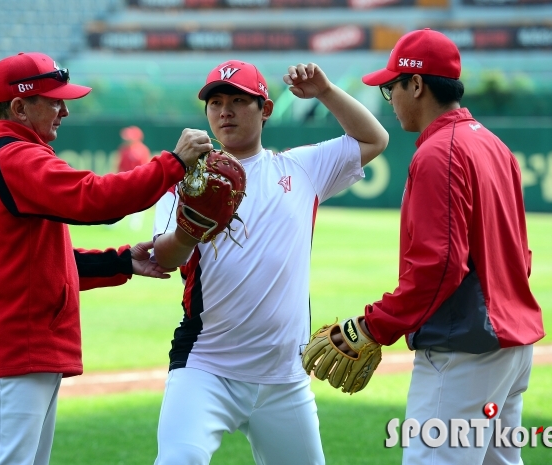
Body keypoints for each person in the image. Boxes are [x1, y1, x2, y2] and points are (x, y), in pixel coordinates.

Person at [0, 51, 212, 465]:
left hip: (24, 348)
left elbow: (42, 263)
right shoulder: (16, 157)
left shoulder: (15, 154)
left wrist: (119, 262)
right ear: (19, 107)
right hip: (17, 349)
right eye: (54, 100)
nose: (64, 110)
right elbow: (95, 199)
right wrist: (172, 163)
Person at [150, 59, 389, 464]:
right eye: (216, 102)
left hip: (285, 379)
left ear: (265, 109)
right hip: (206, 367)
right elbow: (164, 258)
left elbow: (375, 138)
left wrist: (326, 92)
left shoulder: (301, 168)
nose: (225, 110)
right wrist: (191, 227)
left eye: (239, 100)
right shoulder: (185, 181)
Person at [330, 29, 545, 464]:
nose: (388, 97)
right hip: (510, 346)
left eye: (391, 86)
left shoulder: (438, 153)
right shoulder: (493, 144)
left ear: (416, 84)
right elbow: (521, 256)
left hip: (465, 349)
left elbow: (439, 267)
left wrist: (374, 326)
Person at [116, 125, 152, 230]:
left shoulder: (142, 150)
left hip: (137, 181)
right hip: (124, 180)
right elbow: (120, 166)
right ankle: (113, 223)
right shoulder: (123, 149)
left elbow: (145, 167)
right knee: (119, 202)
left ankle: (135, 224)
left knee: (137, 203)